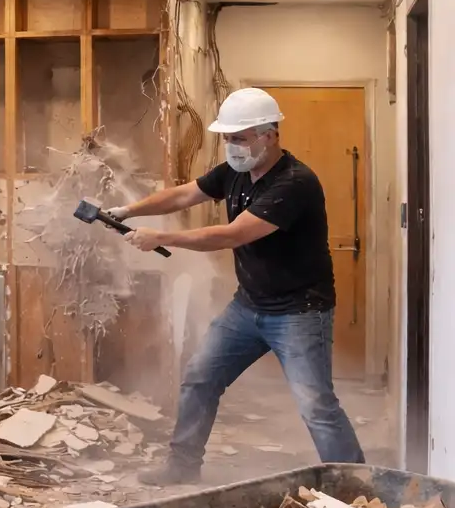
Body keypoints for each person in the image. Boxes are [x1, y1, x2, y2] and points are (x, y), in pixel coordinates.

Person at [108, 87, 364, 486]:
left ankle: (357, 483)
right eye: (228, 138)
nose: (233, 147)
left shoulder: (294, 184)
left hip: (300, 312)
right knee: (200, 376)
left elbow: (232, 235)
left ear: (270, 134)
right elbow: (183, 195)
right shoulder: (234, 173)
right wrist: (128, 210)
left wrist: (162, 238)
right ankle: (182, 466)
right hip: (248, 308)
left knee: (316, 404)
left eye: (240, 138)